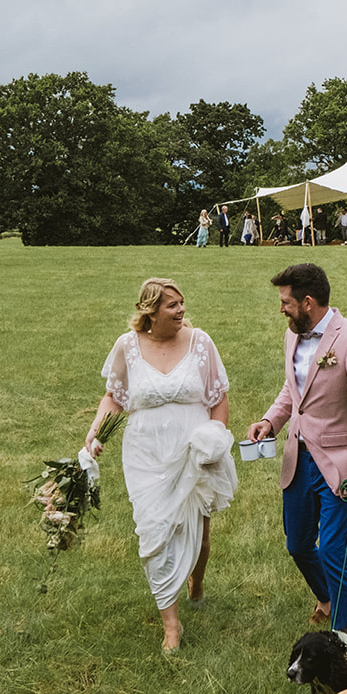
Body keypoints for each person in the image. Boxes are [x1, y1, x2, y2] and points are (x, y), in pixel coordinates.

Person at [86, 279, 236, 652]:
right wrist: (96, 434)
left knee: (199, 534)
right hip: (145, 453)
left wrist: (215, 437)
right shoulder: (128, 347)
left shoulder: (201, 342)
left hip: (193, 450)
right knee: (153, 532)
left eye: (182, 303)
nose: (181, 310)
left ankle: (196, 581)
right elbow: (114, 398)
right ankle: (172, 625)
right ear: (150, 311)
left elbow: (218, 398)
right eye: (172, 305)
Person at [247, 263, 347, 632]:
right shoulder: (293, 334)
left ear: (307, 302)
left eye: (285, 302)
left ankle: (344, 642)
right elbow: (293, 391)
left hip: (341, 464)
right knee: (299, 546)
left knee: (333, 552)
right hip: (298, 460)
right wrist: (271, 421)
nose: (281, 309)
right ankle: (325, 596)